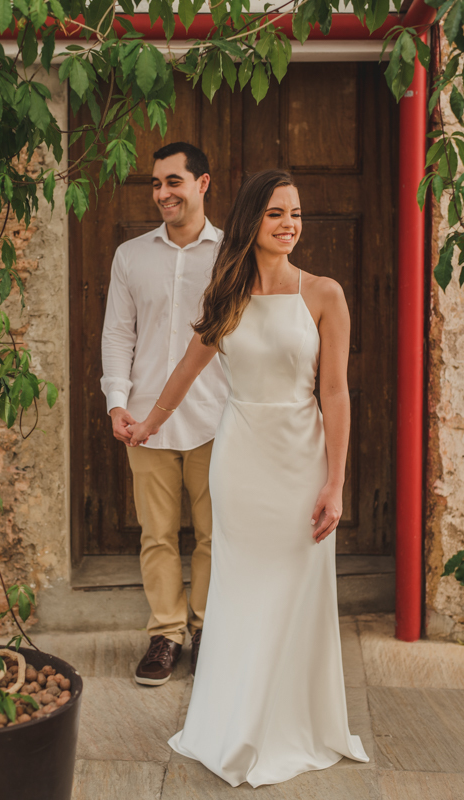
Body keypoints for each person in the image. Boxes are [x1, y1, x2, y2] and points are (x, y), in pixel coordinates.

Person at [127, 169, 369, 787]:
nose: (289, 224)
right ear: (251, 221)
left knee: (296, 588)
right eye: (275, 213)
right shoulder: (227, 294)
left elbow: (335, 394)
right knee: (240, 589)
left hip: (302, 462)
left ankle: (291, 723)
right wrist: (149, 423)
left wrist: (336, 483)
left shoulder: (325, 294)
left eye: (296, 213)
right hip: (241, 461)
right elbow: (187, 369)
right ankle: (236, 722)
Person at [101, 142, 229, 687]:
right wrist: (117, 402)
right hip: (144, 423)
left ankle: (206, 630)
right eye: (156, 183)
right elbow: (117, 334)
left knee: (213, 536)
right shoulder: (131, 255)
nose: (162, 193)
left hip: (216, 418)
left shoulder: (232, 254)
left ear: (203, 183)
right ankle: (166, 634)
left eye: (173, 181)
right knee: (155, 535)